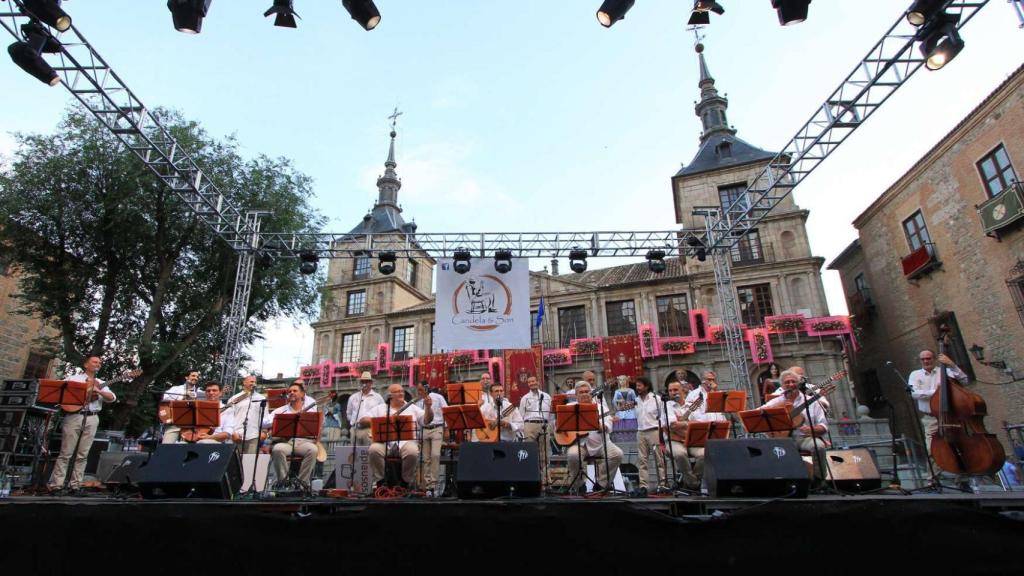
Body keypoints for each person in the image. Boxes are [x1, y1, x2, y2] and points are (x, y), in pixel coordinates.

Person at [48, 356, 117, 492]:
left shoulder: (100, 382)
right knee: (65, 452)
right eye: (95, 362)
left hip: (92, 417)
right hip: (74, 416)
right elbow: (60, 392)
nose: (98, 364)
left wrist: (99, 390)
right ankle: (57, 484)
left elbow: (112, 398)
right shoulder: (74, 379)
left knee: (83, 454)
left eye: (99, 362)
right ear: (86, 364)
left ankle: (75, 484)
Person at [762, 368, 829, 483]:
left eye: (793, 381)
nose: (791, 384)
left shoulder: (812, 401)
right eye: (787, 382)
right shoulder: (776, 402)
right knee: (766, 450)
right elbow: (758, 414)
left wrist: (811, 429)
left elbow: (823, 426)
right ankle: (781, 482)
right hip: (783, 440)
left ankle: (819, 480)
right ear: (782, 386)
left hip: (805, 438)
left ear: (798, 384)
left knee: (819, 447)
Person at [365, 383, 432, 488]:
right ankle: (380, 480)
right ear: (390, 395)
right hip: (385, 443)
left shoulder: (413, 408)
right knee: (373, 449)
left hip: (406, 442)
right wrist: (380, 420)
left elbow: (427, 420)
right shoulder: (380, 408)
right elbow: (363, 419)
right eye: (397, 391)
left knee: (412, 452)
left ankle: (405, 481)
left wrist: (428, 407)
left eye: (402, 391)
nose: (401, 393)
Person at [564, 380, 622, 495]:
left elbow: (608, 426)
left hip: (601, 443)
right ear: (576, 395)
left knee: (617, 454)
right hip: (579, 443)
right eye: (581, 392)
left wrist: (600, 426)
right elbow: (560, 425)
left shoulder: (601, 408)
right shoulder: (569, 407)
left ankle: (601, 484)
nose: (584, 394)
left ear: (591, 393)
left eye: (587, 391)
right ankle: (579, 485)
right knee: (573, 455)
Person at [909, 349, 968, 455]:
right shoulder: (915, 374)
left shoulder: (945, 371)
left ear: (934, 359)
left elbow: (964, 381)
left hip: (951, 416)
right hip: (930, 418)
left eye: (928, 358)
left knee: (961, 448)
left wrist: (952, 365)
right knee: (932, 451)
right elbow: (914, 393)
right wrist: (938, 391)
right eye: (923, 359)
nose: (926, 361)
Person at [264, 380, 319, 487]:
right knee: (277, 449)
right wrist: (273, 423)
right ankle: (284, 483)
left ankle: (302, 484)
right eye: (290, 391)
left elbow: (316, 429)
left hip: (303, 442)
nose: (292, 393)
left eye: (295, 391)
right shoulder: (281, 410)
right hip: (286, 442)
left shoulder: (311, 411)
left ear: (302, 394)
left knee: (313, 450)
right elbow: (264, 423)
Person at [683, 370, 727, 482]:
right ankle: (696, 481)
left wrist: (715, 392)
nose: (711, 382)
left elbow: (723, 412)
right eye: (709, 379)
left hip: (718, 431)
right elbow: (689, 414)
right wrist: (704, 423)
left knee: (723, 456)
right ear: (702, 380)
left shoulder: (718, 394)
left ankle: (721, 480)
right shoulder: (694, 394)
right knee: (705, 456)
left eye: (713, 379)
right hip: (702, 432)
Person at [663, 381, 701, 490]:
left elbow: (699, 423)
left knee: (704, 454)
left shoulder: (691, 405)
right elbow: (672, 425)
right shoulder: (666, 406)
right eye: (670, 390)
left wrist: (681, 423)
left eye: (675, 390)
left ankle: (690, 481)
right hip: (674, 441)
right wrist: (688, 423)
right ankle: (694, 485)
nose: (672, 392)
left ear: (683, 390)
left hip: (691, 440)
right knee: (680, 454)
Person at [633, 376, 665, 496]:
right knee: (642, 460)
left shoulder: (656, 399)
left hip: (654, 431)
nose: (637, 388)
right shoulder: (636, 400)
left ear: (646, 386)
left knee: (659, 459)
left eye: (640, 386)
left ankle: (662, 484)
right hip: (640, 432)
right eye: (637, 386)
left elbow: (662, 416)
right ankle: (643, 486)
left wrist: (661, 433)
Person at [519, 375, 553, 487]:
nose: (532, 383)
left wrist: (549, 425)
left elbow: (550, 414)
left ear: (538, 382)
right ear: (528, 384)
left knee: (545, 453)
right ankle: (530, 478)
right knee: (529, 451)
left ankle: (546, 480)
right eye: (529, 382)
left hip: (544, 424)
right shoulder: (525, 398)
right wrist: (523, 428)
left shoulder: (547, 396)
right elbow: (521, 415)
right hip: (529, 424)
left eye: (533, 381)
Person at [415, 380, 447, 493]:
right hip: (424, 430)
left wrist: (446, 429)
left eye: (420, 390)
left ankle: (434, 483)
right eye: (418, 390)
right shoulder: (418, 401)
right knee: (426, 459)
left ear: (426, 388)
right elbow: (418, 419)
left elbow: (446, 411)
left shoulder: (438, 397)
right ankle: (428, 485)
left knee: (435, 455)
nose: (419, 392)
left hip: (437, 428)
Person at [161, 369, 203, 443]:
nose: (196, 378)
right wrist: (183, 397)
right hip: (174, 424)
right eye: (193, 376)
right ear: (186, 377)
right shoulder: (176, 389)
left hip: (191, 426)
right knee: (166, 445)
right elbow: (165, 400)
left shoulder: (200, 392)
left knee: (187, 447)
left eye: (197, 377)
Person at [228, 374, 267, 454]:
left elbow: (265, 417)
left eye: (255, 382)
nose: (253, 384)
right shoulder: (234, 398)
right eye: (251, 381)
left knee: (250, 460)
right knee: (235, 460)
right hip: (237, 435)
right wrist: (232, 432)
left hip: (254, 435)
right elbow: (229, 417)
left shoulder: (261, 398)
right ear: (244, 382)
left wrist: (264, 431)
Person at [347, 371, 384, 447]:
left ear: (371, 383)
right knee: (354, 452)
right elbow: (349, 413)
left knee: (369, 451)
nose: (364, 384)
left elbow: (382, 414)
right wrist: (354, 422)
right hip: (355, 429)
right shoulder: (353, 397)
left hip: (370, 429)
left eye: (367, 382)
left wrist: (371, 422)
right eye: (362, 382)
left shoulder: (378, 397)